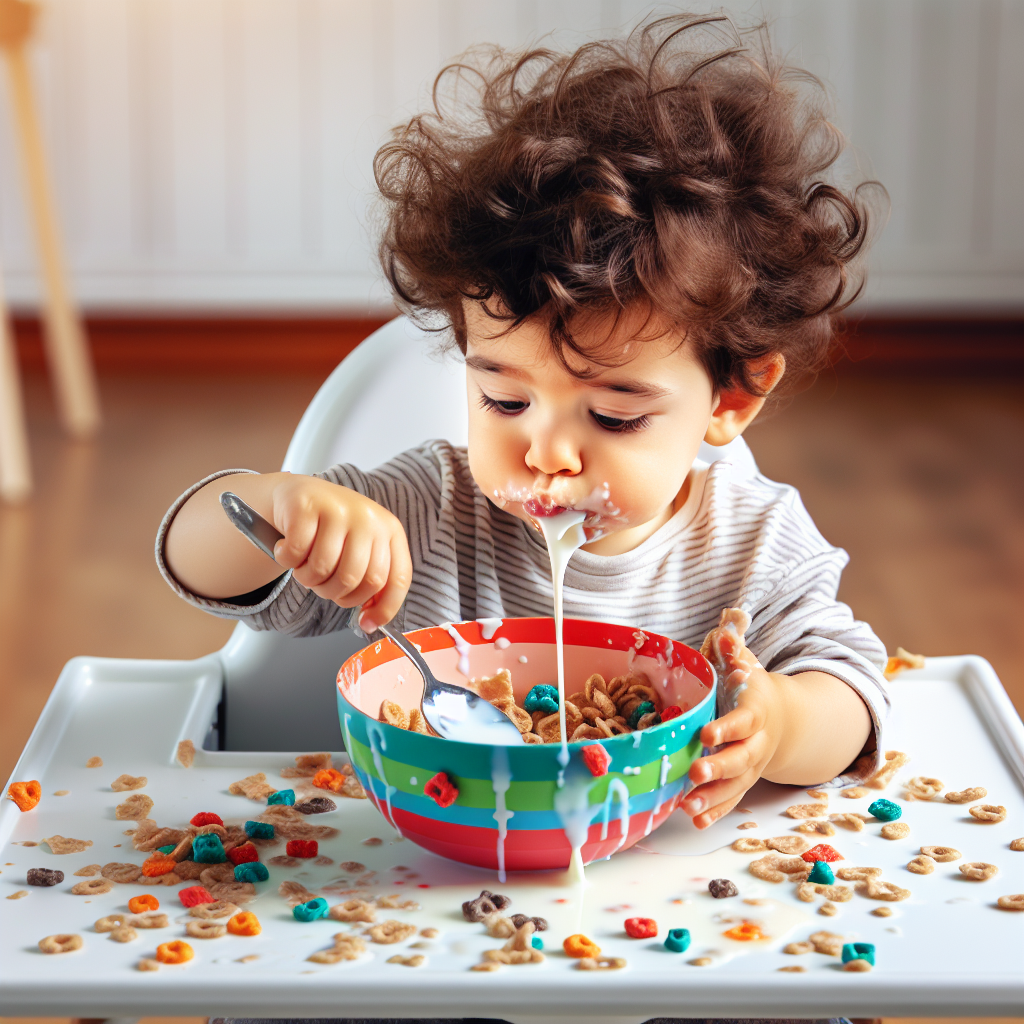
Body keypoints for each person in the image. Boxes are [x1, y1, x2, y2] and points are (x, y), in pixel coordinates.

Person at [159, 14, 888, 838]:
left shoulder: (754, 543)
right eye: (504, 402)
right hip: (426, 893)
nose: (544, 451)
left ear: (732, 398)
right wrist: (282, 511)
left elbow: (854, 694)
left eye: (614, 415)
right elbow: (207, 562)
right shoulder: (429, 510)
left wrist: (783, 724)